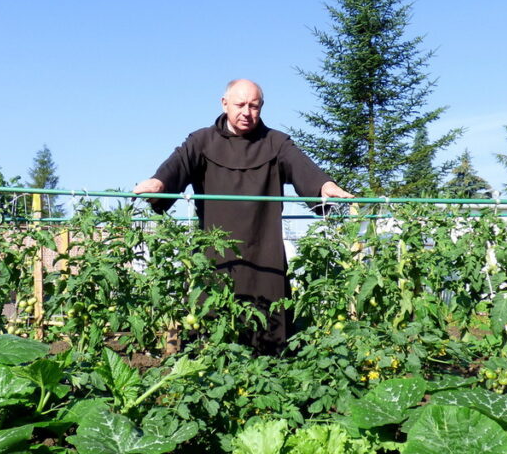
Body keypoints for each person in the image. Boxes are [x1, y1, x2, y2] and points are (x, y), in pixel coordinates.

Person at [133, 79, 352, 354]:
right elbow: (176, 165)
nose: (246, 112)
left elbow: (302, 167)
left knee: (269, 330)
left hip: (265, 252)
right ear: (224, 104)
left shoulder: (276, 143)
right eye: (240, 105)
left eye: (254, 106)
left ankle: (271, 374)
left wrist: (324, 185)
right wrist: (158, 183)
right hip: (216, 254)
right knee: (212, 330)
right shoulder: (201, 141)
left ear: (262, 107)